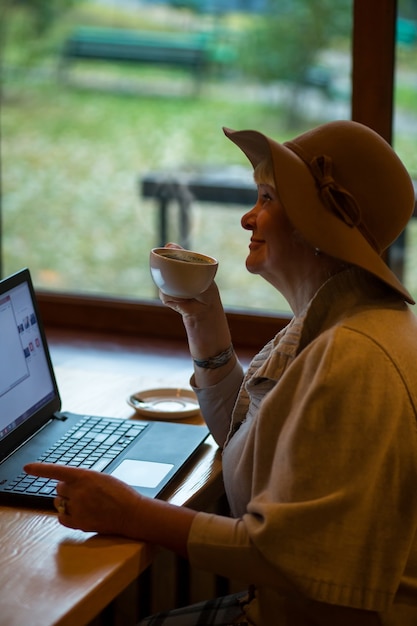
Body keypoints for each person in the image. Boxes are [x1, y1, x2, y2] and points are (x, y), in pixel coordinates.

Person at [25, 120, 417, 625]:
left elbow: (294, 561)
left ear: (318, 228)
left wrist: (133, 514)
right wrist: (203, 318)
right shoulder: (336, 320)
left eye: (268, 199)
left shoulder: (354, 358)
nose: (248, 218)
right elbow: (247, 438)